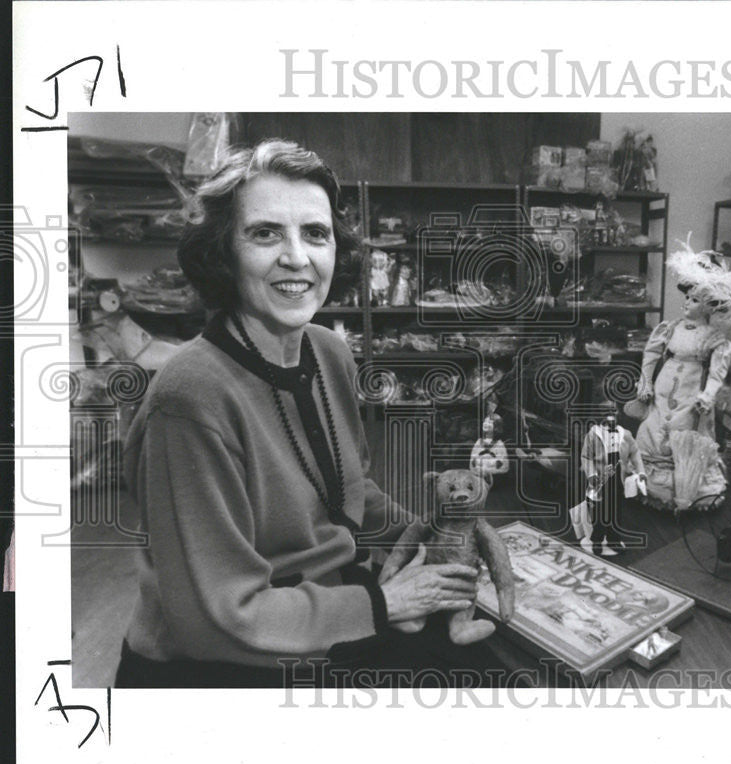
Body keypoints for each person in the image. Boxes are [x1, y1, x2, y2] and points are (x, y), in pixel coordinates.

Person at [115, 140, 488, 688]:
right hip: (219, 663)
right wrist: (384, 603)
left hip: (326, 606)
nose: (297, 257)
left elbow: (352, 489)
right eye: (265, 233)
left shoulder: (328, 350)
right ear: (222, 253)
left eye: (316, 233)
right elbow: (214, 619)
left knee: (492, 659)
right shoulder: (189, 400)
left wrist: (432, 539)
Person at [632, 240, 731, 509]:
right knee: (653, 429)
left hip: (690, 395)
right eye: (687, 297)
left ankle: (686, 488)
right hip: (662, 391)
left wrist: (708, 395)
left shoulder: (714, 338)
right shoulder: (670, 329)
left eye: (695, 300)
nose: (687, 303)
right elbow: (650, 355)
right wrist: (645, 380)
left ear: (708, 307)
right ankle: (649, 481)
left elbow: (718, 372)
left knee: (683, 432)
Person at [579, 405, 646, 556]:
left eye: (613, 413)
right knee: (600, 511)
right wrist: (591, 475)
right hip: (600, 479)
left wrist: (641, 472)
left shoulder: (626, 434)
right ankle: (597, 540)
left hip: (618, 478)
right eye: (606, 413)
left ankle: (613, 539)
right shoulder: (593, 434)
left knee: (616, 511)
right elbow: (586, 457)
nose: (610, 417)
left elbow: (635, 453)